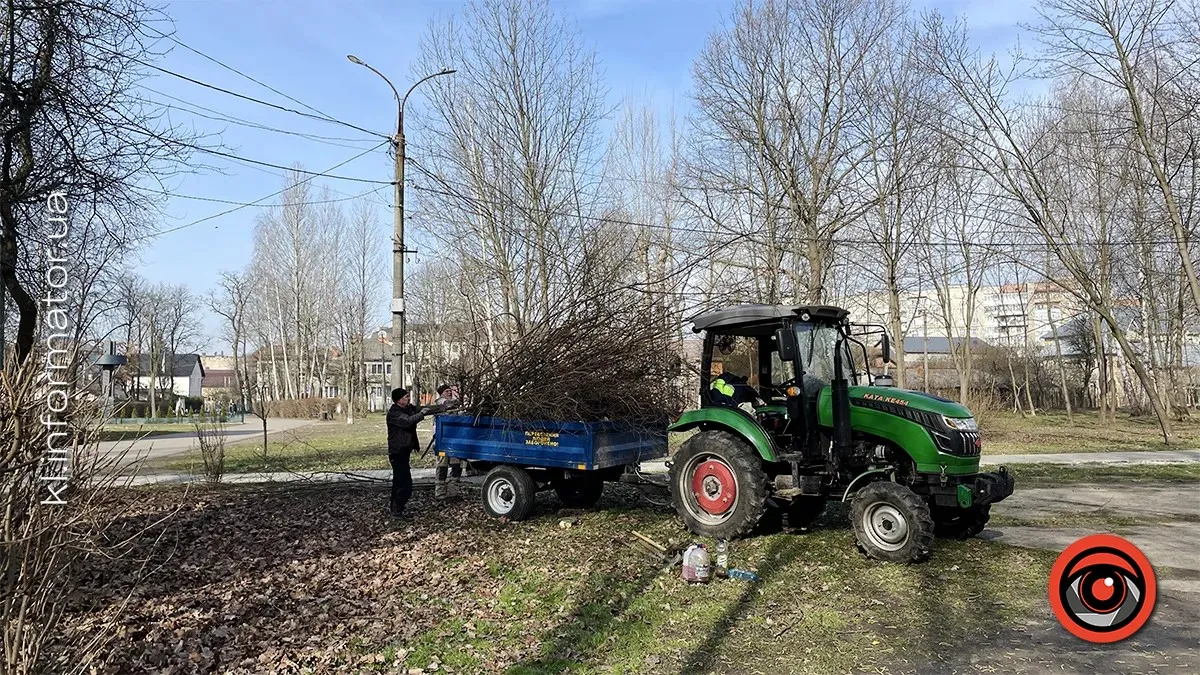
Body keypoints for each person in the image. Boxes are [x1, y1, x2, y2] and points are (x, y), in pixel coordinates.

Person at [386, 387, 456, 517]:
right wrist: (421, 414)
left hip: (404, 450)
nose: (409, 398)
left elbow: (426, 409)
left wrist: (444, 408)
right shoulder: (394, 413)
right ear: (399, 400)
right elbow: (407, 422)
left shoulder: (408, 408)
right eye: (406, 397)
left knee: (402, 481)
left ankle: (397, 509)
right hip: (397, 452)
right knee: (403, 482)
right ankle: (396, 510)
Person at [432, 384, 463, 500]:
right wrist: (459, 401)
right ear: (441, 393)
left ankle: (453, 492)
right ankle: (440, 493)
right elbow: (448, 404)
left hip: (453, 440)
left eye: (450, 391)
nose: (449, 393)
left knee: (456, 465)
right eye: (447, 391)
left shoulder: (453, 405)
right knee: (442, 466)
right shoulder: (440, 402)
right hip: (442, 440)